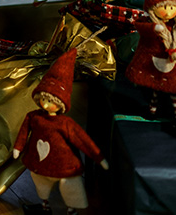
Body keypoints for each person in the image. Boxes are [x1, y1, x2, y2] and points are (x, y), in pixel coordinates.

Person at [12, 48, 108, 214]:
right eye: (43, 98)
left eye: (51, 101)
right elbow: (23, 132)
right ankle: (44, 206)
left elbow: (82, 139)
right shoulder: (34, 117)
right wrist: (18, 148)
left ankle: (71, 210)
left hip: (65, 165)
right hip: (39, 162)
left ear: (61, 104)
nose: (46, 104)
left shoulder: (65, 123)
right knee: (40, 183)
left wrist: (98, 156)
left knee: (70, 186)